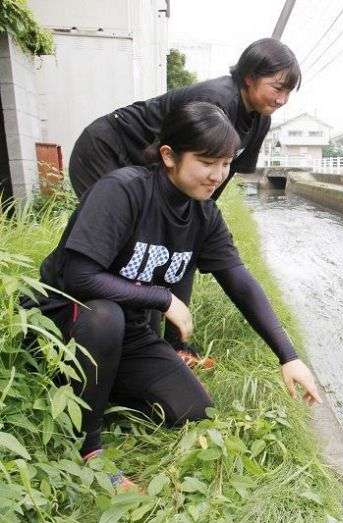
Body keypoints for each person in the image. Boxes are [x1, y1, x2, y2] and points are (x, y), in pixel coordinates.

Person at [28, 101, 321, 491]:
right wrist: (162, 299)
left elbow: (239, 281)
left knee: (195, 411)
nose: (218, 175)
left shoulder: (203, 214)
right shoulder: (123, 191)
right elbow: (78, 276)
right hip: (65, 320)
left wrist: (289, 356)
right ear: (169, 155)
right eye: (207, 162)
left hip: (127, 333)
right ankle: (87, 449)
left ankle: (96, 387)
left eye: (226, 163)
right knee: (105, 315)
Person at [67, 37, 300, 363]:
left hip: (150, 165)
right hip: (108, 148)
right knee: (124, 251)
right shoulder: (216, 101)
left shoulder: (259, 119)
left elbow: (222, 177)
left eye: (289, 92)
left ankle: (169, 345)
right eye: (277, 88)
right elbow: (164, 174)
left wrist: (201, 223)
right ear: (249, 77)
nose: (282, 98)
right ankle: (98, 335)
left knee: (181, 243)